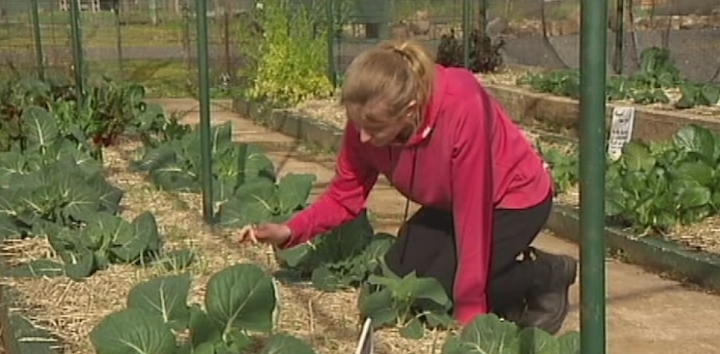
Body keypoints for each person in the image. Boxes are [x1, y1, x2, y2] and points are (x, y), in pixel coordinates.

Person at [239, 40, 578, 334]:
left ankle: (545, 274)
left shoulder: (462, 106)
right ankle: (503, 287)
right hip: (448, 203)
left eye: (373, 128)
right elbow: (344, 196)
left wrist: (469, 314)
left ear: (411, 111)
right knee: (396, 283)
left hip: (512, 200)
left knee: (443, 291)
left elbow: (472, 216)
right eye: (357, 125)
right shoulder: (366, 120)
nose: (363, 138)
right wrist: (289, 231)